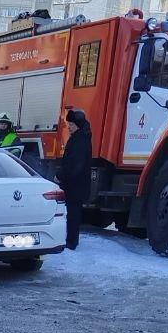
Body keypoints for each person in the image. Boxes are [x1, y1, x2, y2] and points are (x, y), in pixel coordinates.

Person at [58, 107, 92, 251]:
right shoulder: (81, 138)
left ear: (77, 125)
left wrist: (61, 176)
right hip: (76, 184)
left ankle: (71, 242)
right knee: (73, 213)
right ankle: (71, 239)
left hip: (75, 184)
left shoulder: (80, 140)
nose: (69, 128)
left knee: (73, 214)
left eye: (71, 125)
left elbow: (74, 164)